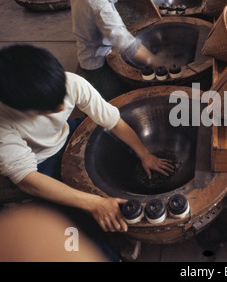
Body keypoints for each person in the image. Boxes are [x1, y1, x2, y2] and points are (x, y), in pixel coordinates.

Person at [0, 45, 173, 259]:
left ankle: (129, 225)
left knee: (125, 139)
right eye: (50, 107)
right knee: (74, 231)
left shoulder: (71, 82)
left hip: (69, 133)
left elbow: (113, 121)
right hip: (39, 164)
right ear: (24, 109)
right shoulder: (3, 122)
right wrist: (93, 204)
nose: (62, 109)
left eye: (60, 98)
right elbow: (26, 178)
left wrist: (144, 154)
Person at [70, 0, 162, 101]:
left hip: (85, 44)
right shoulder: (100, 7)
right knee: (119, 100)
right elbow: (129, 46)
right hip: (96, 63)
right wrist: (158, 62)